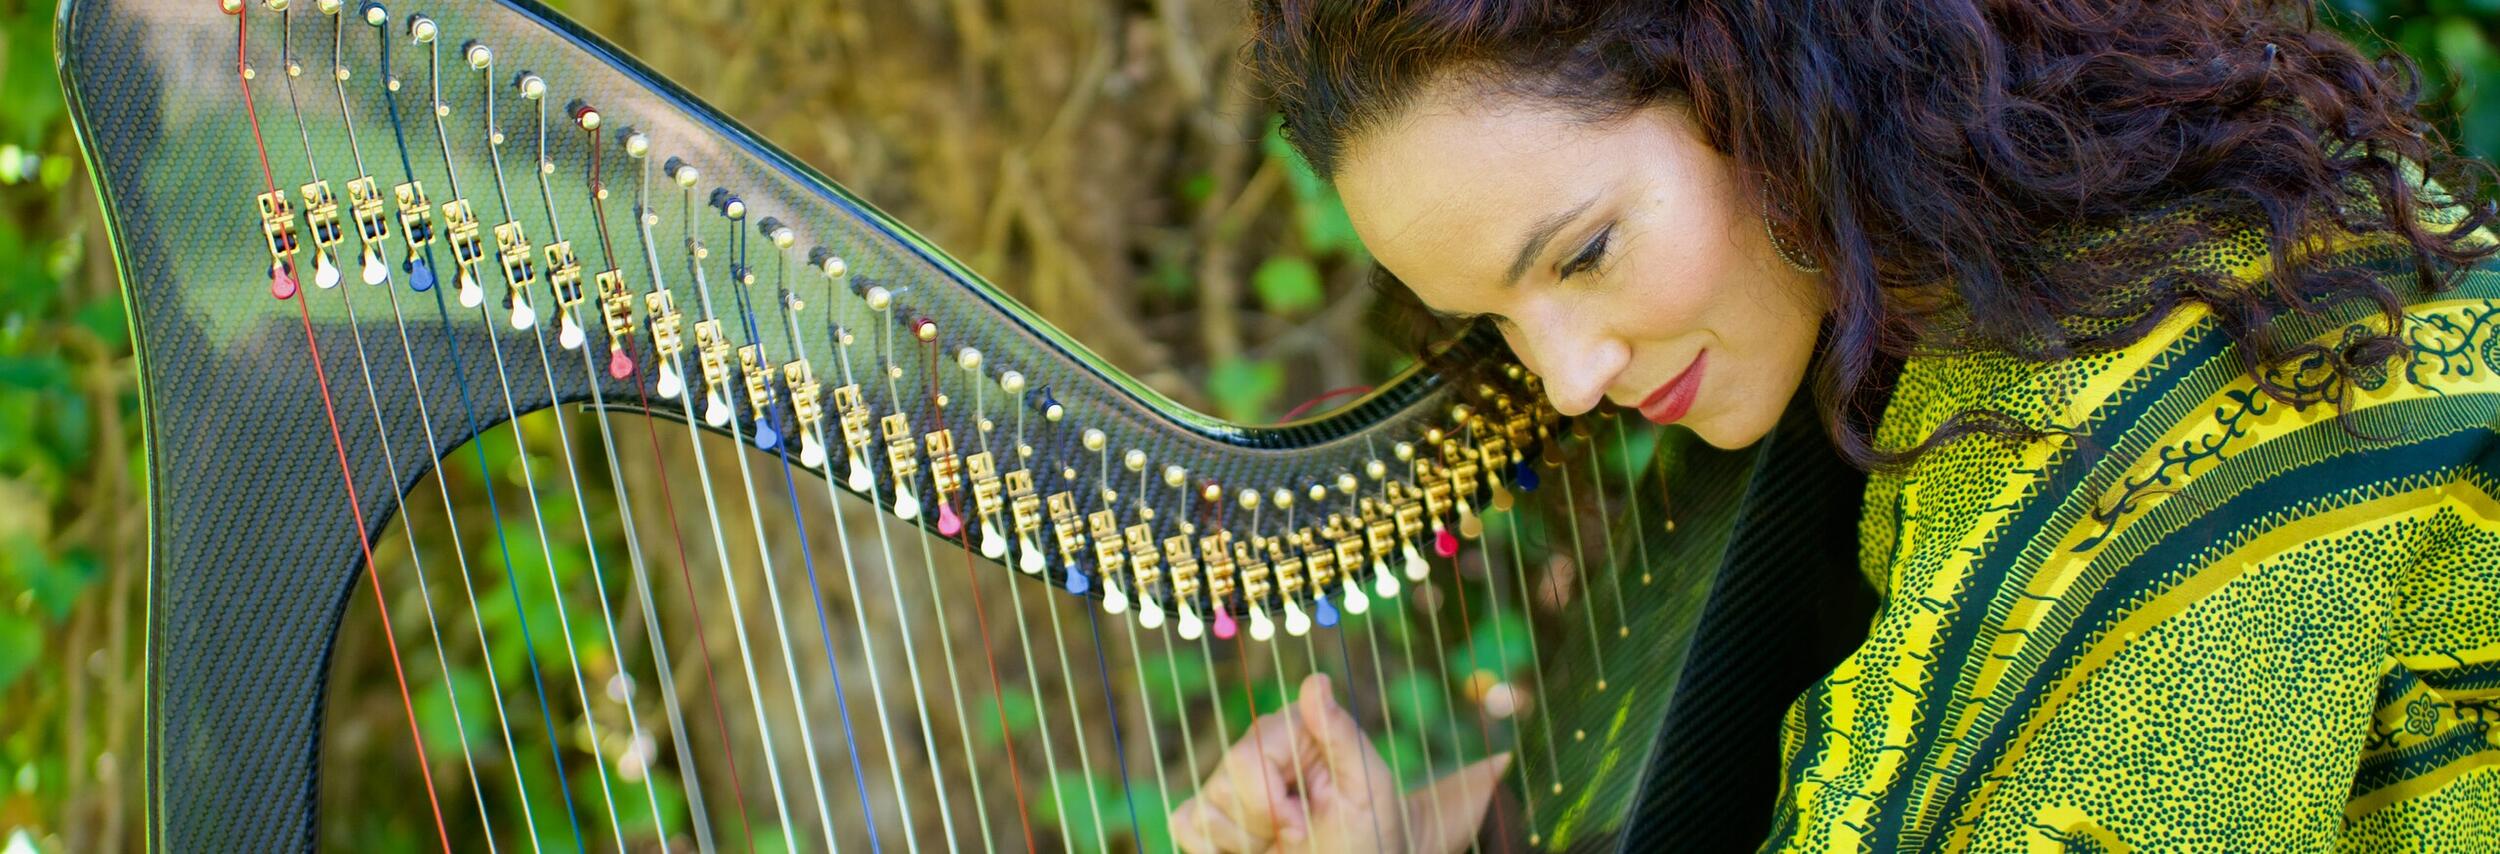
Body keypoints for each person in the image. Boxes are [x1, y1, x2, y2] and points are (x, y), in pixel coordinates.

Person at [1169, 0, 2500, 850]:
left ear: (1761, 74)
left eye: (1581, 255)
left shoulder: (2151, 401)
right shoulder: (1970, 302)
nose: (1568, 380)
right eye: (1498, 324)